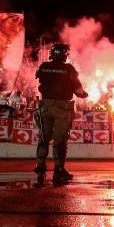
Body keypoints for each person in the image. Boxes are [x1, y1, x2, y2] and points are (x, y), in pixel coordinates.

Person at [35, 44, 88, 183]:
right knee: (60, 140)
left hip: (45, 106)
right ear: (65, 55)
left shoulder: (44, 66)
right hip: (62, 108)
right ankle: (59, 169)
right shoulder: (68, 69)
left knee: (43, 137)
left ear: (52, 54)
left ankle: (40, 165)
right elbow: (79, 91)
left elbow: (40, 84)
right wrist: (84, 94)